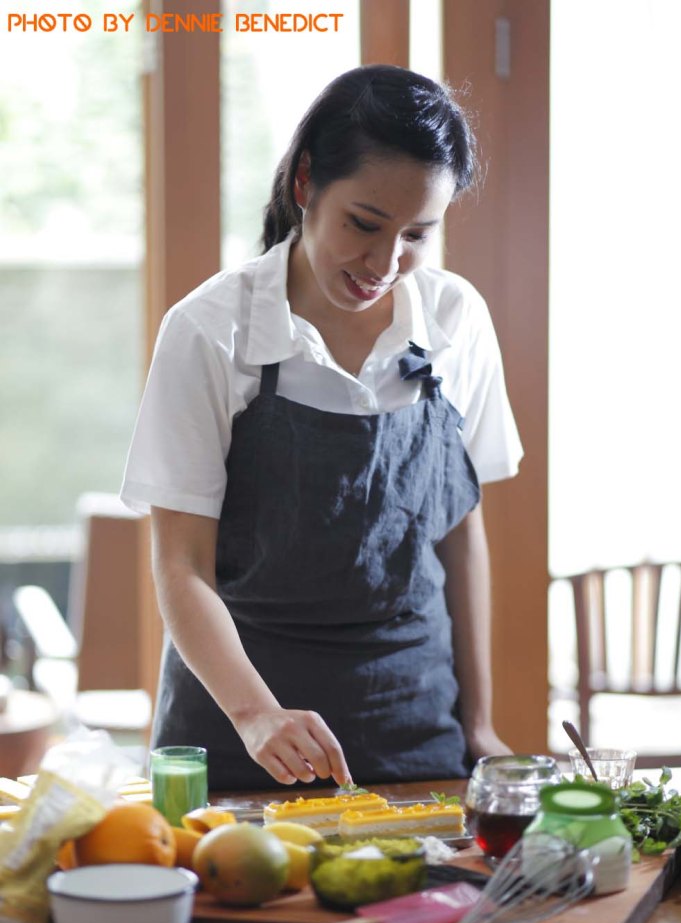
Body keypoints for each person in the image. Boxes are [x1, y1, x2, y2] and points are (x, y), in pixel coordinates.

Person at [120, 65, 523, 791]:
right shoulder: (211, 332)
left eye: (416, 235)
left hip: (413, 731)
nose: (383, 263)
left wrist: (479, 723)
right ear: (306, 183)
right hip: (237, 735)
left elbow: (459, 531)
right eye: (363, 225)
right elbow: (181, 566)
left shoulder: (455, 320)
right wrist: (254, 715)